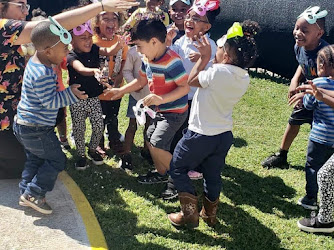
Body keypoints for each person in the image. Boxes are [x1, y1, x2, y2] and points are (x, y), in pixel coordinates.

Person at [0, 0, 139, 179]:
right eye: (20, 5)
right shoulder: (4, 28)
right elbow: (49, 27)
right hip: (6, 119)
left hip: (17, 115)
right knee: (25, 167)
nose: (25, 13)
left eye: (26, 6)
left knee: (35, 162)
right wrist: (100, 6)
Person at [168, 21, 260, 228]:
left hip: (200, 134)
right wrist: (209, 57)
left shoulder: (216, 73)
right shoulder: (243, 76)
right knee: (212, 174)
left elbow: (191, 81)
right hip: (223, 136)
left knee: (177, 167)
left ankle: (189, 214)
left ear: (226, 56)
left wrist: (202, 59)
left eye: (218, 49)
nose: (215, 52)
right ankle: (209, 215)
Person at [13, 19, 87, 214]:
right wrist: (71, 94)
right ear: (48, 51)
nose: (67, 51)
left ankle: (25, 193)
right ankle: (34, 194)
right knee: (57, 160)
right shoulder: (42, 73)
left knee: (35, 159)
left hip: (25, 125)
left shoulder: (36, 62)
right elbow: (51, 102)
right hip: (36, 129)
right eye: (64, 48)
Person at [105, 19, 189, 182]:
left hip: (174, 113)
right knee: (150, 139)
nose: (137, 50)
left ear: (154, 42)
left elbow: (184, 87)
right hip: (160, 111)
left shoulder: (172, 61)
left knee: (156, 143)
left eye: (139, 46)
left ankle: (178, 178)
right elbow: (141, 81)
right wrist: (120, 90)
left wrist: (161, 98)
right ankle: (162, 173)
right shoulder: (147, 59)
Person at [161, 0, 220, 200]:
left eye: (196, 18)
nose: (189, 20)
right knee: (178, 134)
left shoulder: (211, 46)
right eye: (189, 16)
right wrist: (168, 43)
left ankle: (183, 171)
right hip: (179, 97)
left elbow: (214, 74)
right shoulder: (180, 42)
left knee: (188, 136)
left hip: (196, 101)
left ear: (207, 27)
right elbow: (169, 59)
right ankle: (174, 167)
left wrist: (205, 59)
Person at [261, 6, 329, 168]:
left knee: (322, 133)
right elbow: (302, 65)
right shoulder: (299, 46)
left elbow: (327, 83)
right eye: (296, 27)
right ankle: (281, 155)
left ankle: (324, 164)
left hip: (324, 99)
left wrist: (308, 94)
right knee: (294, 121)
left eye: (304, 30)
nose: (298, 32)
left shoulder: (326, 55)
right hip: (307, 92)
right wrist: (294, 81)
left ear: (319, 34)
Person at [67, 19, 124, 170]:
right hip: (77, 99)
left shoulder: (94, 48)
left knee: (99, 126)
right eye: (82, 38)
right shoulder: (71, 55)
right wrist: (94, 71)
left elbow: (109, 51)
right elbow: (80, 68)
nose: (87, 42)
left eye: (89, 37)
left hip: (93, 98)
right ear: (72, 40)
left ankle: (92, 150)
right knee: (79, 129)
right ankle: (81, 155)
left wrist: (120, 43)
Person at [290, 47, 334, 232]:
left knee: (314, 168)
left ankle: (311, 199)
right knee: (328, 174)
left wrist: (313, 95)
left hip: (319, 137)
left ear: (321, 65)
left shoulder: (318, 82)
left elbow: (309, 104)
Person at [93, 11, 129, 155]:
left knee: (113, 116)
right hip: (98, 91)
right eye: (105, 19)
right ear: (97, 22)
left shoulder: (121, 41)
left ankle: (113, 139)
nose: (111, 22)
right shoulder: (92, 41)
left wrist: (120, 77)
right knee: (98, 118)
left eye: (114, 19)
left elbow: (125, 60)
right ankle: (98, 141)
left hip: (115, 88)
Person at [120, 43, 150, 171]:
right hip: (136, 95)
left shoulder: (158, 50)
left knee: (150, 124)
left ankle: (147, 150)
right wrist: (134, 85)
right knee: (132, 125)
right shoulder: (133, 52)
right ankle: (126, 154)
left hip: (152, 95)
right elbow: (126, 70)